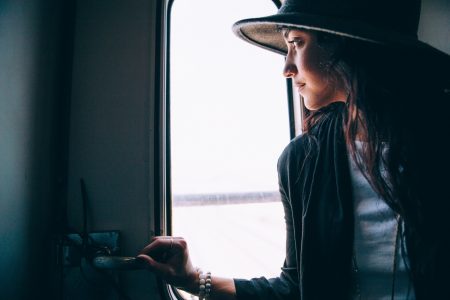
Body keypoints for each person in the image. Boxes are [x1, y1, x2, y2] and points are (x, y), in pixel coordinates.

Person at [137, 0, 450, 299]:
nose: (287, 67)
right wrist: (193, 279)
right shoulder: (303, 160)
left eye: (297, 43)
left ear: (345, 44)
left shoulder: (438, 143)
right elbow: (295, 288)